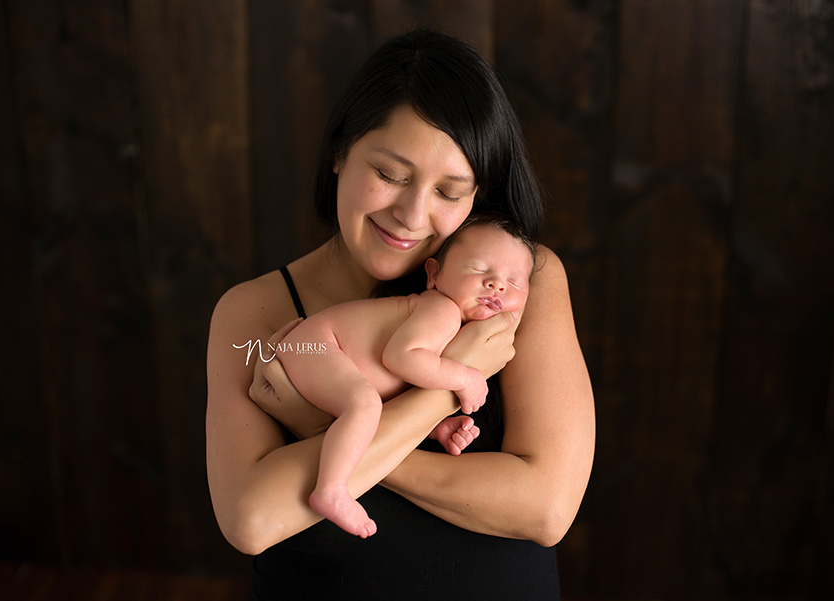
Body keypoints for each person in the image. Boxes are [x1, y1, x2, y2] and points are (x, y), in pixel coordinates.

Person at [206, 29, 595, 600]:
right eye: (389, 174)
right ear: (340, 152)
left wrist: (323, 431)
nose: (413, 216)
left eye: (450, 191)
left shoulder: (517, 283)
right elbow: (251, 520)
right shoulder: (256, 313)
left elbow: (546, 508)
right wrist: (446, 386)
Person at [274, 215, 537, 539]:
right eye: (479, 269)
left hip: (315, 348)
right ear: (434, 274)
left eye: (514, 282)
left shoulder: (447, 327)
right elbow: (400, 359)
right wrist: (465, 377)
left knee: (366, 405)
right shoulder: (442, 310)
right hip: (317, 345)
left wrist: (435, 426)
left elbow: (396, 392)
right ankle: (331, 489)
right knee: (363, 404)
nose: (497, 284)